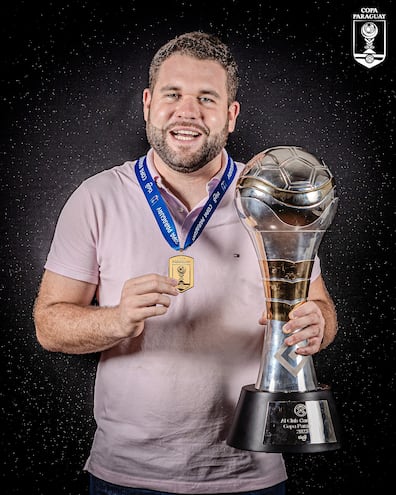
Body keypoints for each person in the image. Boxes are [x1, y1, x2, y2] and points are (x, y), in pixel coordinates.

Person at [33, 31, 338, 495]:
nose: (188, 111)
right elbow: (49, 326)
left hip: (250, 475)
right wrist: (117, 320)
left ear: (230, 115)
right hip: (125, 476)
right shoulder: (97, 198)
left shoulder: (273, 194)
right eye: (173, 94)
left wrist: (319, 325)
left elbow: (320, 309)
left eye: (206, 98)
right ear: (148, 104)